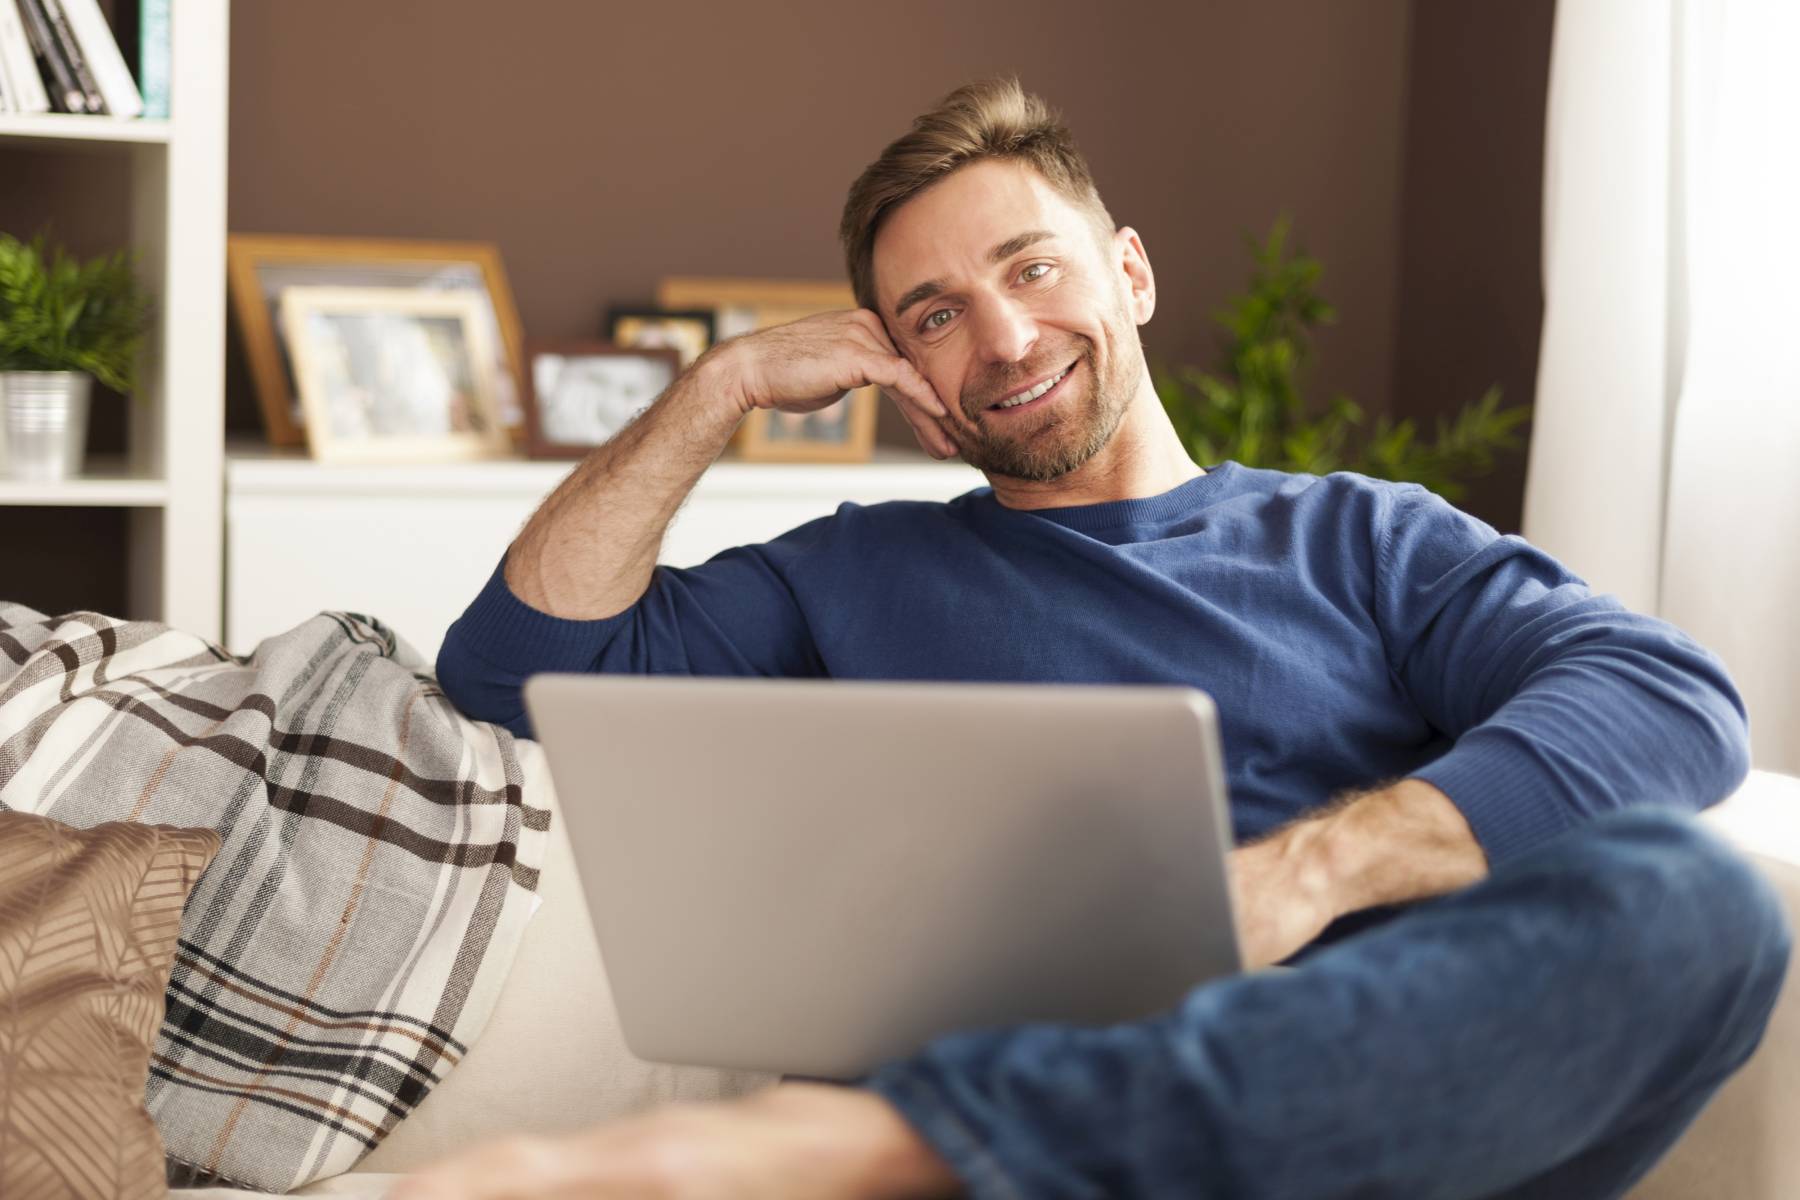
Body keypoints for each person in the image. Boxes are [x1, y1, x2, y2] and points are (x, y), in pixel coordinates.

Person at [406, 79, 1790, 1199]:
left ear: (1127, 272)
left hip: (1355, 1144)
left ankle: (878, 1149)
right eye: (936, 316)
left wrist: (1302, 878)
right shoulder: (853, 573)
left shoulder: (1360, 540)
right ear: (899, 366)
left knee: (1700, 908)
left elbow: (1669, 701)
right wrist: (721, 387)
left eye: (1033, 269)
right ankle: (931, 1148)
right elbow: (514, 673)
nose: (1004, 339)